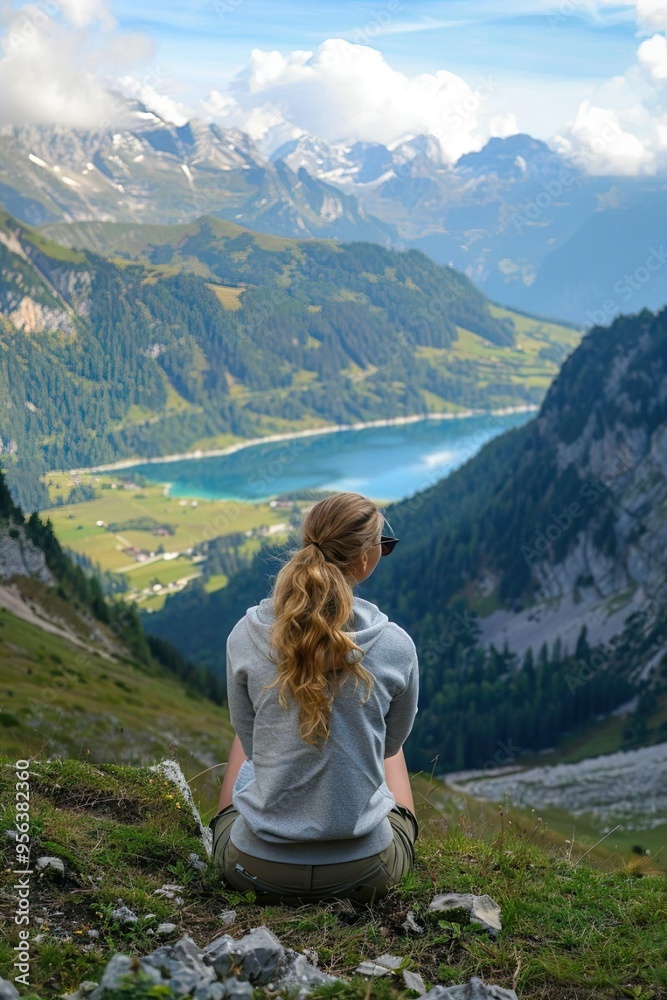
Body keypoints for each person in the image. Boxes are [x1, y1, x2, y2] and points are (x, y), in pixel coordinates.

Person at [208, 491, 420, 906]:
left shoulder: (246, 634)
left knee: (249, 731)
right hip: (368, 872)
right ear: (363, 559)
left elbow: (252, 747)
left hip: (252, 870)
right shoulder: (396, 646)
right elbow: (390, 747)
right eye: (383, 545)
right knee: (387, 744)